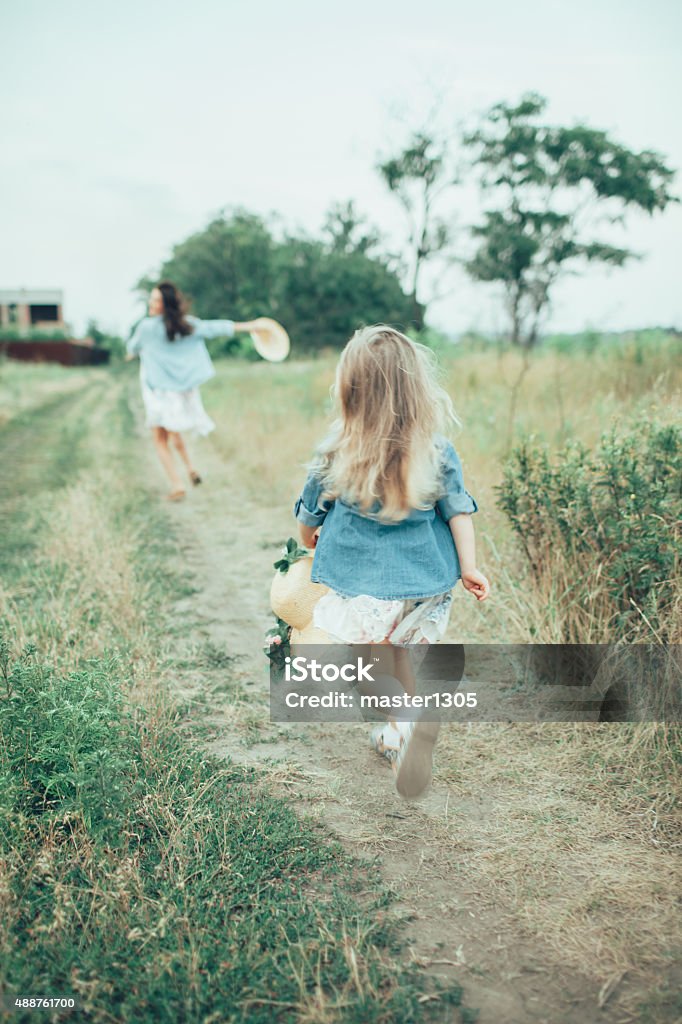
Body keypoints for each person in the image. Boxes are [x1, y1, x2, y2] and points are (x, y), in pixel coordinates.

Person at [293, 325, 490, 799]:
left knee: (366, 669)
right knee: (395, 651)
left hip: (364, 586)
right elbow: (458, 511)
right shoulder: (437, 449)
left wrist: (310, 541)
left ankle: (407, 720)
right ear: (416, 387)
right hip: (424, 583)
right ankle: (398, 735)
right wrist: (470, 567)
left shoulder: (336, 450)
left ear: (349, 389)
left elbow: (308, 517)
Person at [126, 281, 264, 500]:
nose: (150, 304)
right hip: (182, 392)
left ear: (164, 305)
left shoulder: (146, 328)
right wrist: (249, 326)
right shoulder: (187, 325)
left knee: (160, 439)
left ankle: (176, 484)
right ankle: (190, 468)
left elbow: (132, 347)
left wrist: (132, 353)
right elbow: (215, 328)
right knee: (173, 432)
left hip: (159, 393)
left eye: (155, 300)